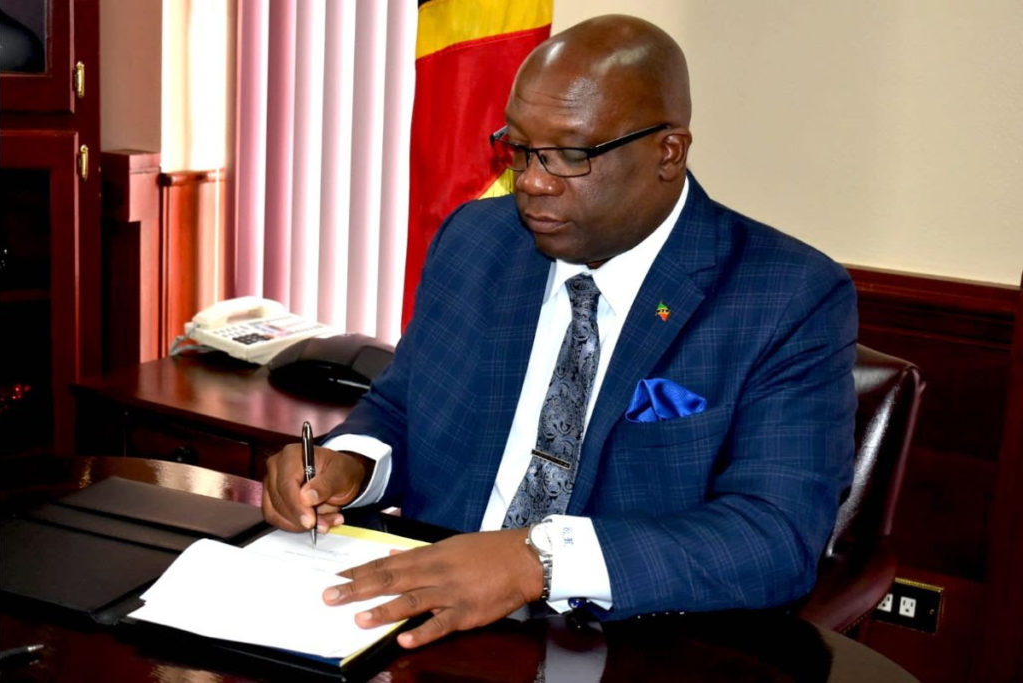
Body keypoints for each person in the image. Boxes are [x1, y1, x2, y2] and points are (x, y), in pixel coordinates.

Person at [262, 14, 857, 650]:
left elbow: (773, 537)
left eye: (572, 155)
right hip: (429, 619)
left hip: (623, 643)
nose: (532, 181)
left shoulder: (784, 295)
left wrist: (537, 560)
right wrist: (351, 465)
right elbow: (402, 408)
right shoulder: (477, 242)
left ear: (668, 152)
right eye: (520, 148)